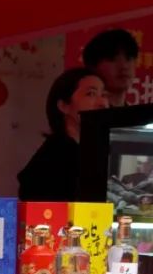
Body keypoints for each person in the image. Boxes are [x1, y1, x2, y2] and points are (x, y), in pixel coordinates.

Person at [17, 68, 108, 202]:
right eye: (91, 94)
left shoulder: (99, 150)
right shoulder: (52, 158)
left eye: (104, 95)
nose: (102, 103)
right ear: (64, 106)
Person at [82, 29, 139, 108]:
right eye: (112, 59)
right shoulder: (83, 112)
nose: (124, 66)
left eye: (128, 58)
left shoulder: (138, 114)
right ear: (92, 67)